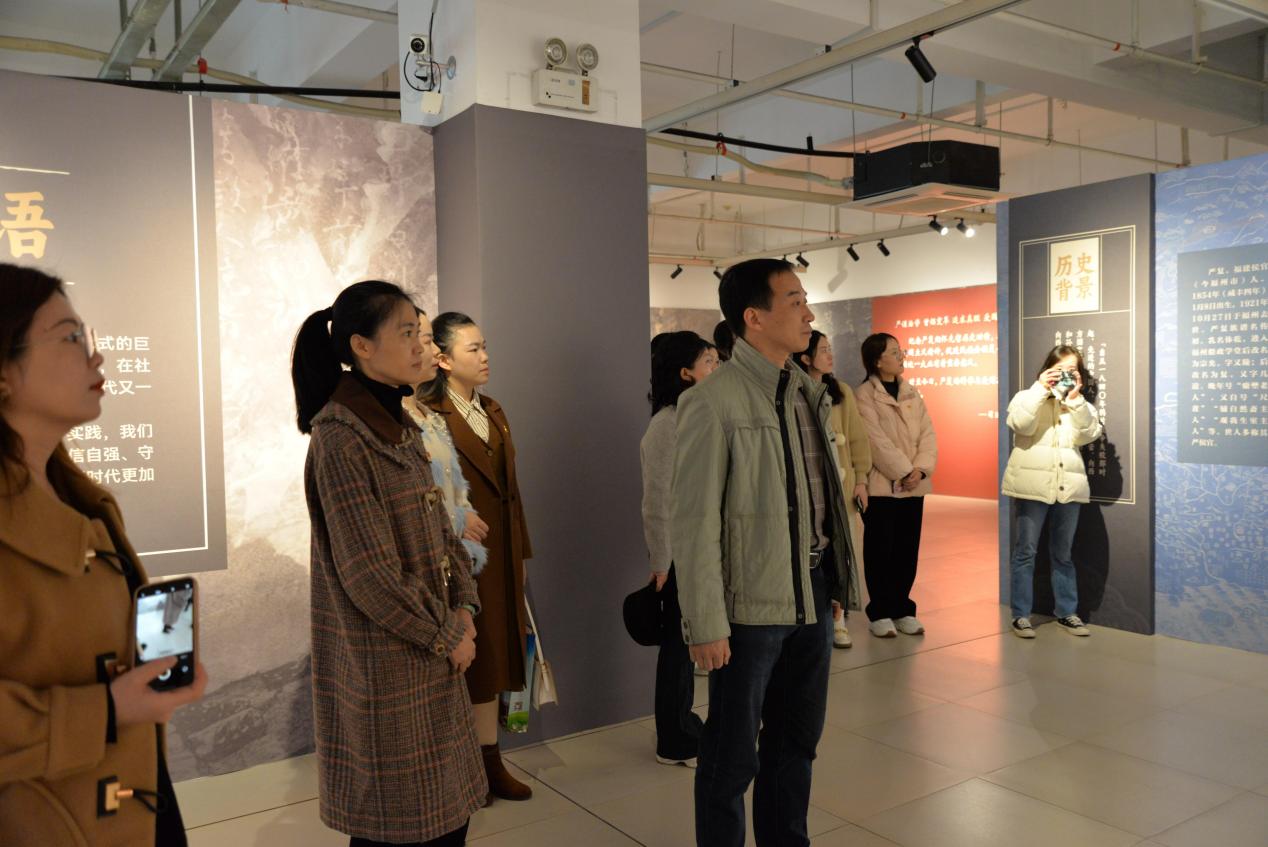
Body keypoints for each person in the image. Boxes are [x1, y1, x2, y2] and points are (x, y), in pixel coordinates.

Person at [0, 263, 208, 846]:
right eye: (70, 337)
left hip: (136, 797)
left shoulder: (78, 497)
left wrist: (140, 684)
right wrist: (109, 710)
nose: (97, 355)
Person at [673, 258, 859, 847]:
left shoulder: (807, 391)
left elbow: (820, 502)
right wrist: (705, 621)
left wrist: (834, 583)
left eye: (806, 299)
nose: (809, 313)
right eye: (795, 301)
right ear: (754, 318)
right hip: (749, 611)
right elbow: (693, 523)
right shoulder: (712, 402)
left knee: (796, 746)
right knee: (731, 760)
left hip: (811, 597)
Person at [293, 281, 485, 846]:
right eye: (407, 333)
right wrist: (446, 633)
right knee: (399, 827)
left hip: (430, 652)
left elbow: (440, 529)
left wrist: (464, 606)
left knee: (444, 820)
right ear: (362, 347)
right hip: (390, 665)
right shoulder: (342, 439)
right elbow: (370, 575)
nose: (421, 346)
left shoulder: (397, 422)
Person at [420, 312, 534, 805]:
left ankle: (490, 762)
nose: (485, 357)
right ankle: (468, 765)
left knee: (496, 658)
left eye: (484, 346)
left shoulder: (492, 409)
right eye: (473, 349)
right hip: (461, 556)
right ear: (444, 360)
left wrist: (521, 552)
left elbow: (513, 491)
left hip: (501, 551)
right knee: (471, 658)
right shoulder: (427, 415)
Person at [640, 331, 718, 768]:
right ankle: (673, 738)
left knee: (689, 646)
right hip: (678, 558)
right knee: (677, 649)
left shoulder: (696, 416)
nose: (716, 370)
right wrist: (661, 561)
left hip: (699, 551)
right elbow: (657, 502)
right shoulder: (667, 425)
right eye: (709, 362)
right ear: (686, 373)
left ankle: (684, 726)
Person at [1002, 345, 1102, 638]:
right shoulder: (1026, 396)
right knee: (1026, 552)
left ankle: (1067, 613)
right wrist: (1040, 389)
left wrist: (1075, 400)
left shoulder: (1079, 404)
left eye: (1073, 370)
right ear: (1047, 369)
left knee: (1063, 553)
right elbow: (1020, 425)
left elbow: (1088, 434)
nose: (1066, 375)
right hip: (1033, 486)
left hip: (1068, 486)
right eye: (1060, 369)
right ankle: (1020, 615)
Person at [854, 333, 937, 639]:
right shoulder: (864, 395)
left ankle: (902, 608)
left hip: (913, 485)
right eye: (894, 351)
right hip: (882, 486)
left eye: (900, 350)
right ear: (877, 361)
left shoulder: (911, 392)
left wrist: (920, 470)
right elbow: (874, 440)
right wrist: (904, 470)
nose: (901, 356)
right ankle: (880, 611)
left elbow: (928, 434)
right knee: (880, 550)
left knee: (906, 548)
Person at [795, 330, 868, 649]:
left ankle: (839, 620)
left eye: (830, 349)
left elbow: (857, 438)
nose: (830, 355)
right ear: (805, 357)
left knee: (844, 554)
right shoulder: (794, 392)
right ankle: (821, 618)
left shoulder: (841, 392)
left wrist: (861, 479)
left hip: (843, 489)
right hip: (812, 492)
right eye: (823, 350)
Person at [405, 311, 489, 575]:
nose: (434, 351)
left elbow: (455, 488)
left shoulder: (430, 418)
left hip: (459, 555)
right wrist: (459, 519)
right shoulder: (397, 423)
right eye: (426, 341)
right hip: (428, 564)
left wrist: (463, 514)